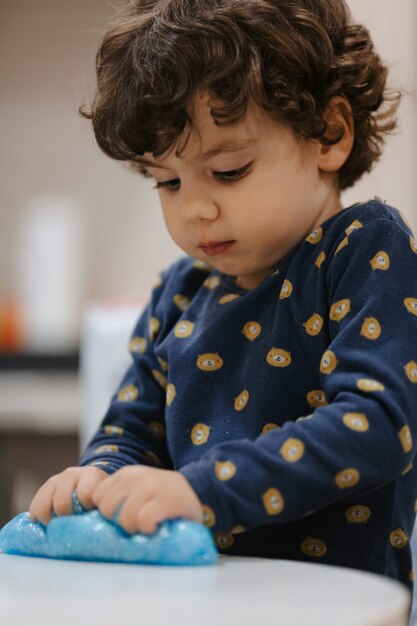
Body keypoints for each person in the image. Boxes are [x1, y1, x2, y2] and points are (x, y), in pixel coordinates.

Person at [30, 0, 417, 590]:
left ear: (330, 134)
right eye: (167, 181)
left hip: (331, 606)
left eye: (229, 170)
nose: (195, 207)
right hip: (200, 599)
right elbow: (131, 432)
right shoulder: (179, 294)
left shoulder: (363, 250)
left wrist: (199, 491)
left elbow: (378, 424)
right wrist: (98, 478)